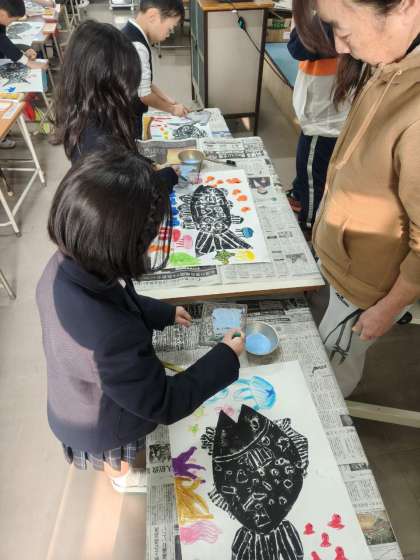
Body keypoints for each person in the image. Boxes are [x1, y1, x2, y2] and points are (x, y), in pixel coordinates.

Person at [36, 147, 245, 493]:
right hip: (99, 421)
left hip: (72, 394)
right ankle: (121, 477)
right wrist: (224, 356)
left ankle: (116, 470)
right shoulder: (111, 338)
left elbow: (116, 298)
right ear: (122, 246)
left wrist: (162, 312)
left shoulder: (66, 262)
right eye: (148, 240)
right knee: (115, 455)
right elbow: (163, 402)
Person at [293, 0, 420, 397]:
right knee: (323, 346)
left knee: (332, 375)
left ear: (405, 7)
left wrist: (388, 307)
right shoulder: (392, 63)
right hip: (344, 265)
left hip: (365, 287)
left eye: (343, 30)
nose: (339, 47)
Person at [53, 20, 178, 191]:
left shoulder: (85, 109)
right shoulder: (99, 143)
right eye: (127, 81)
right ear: (108, 82)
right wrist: (167, 176)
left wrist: (145, 165)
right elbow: (129, 191)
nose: (131, 90)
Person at [287, 21, 350, 231]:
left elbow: (297, 46)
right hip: (320, 112)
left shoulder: (335, 17)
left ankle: (310, 223)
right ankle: (298, 195)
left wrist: (304, 20)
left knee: (312, 174)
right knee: (307, 164)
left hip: (325, 119)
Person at [121, 0, 189, 137]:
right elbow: (145, 95)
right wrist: (172, 109)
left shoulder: (128, 33)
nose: (169, 34)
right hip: (127, 118)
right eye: (170, 28)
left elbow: (144, 83)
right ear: (152, 16)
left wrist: (169, 100)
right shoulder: (138, 47)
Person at [0, 0, 47, 148]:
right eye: (12, 20)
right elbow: (2, 41)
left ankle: (3, 133)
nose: (11, 24)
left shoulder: (1, 19)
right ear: (2, 13)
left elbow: (3, 41)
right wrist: (27, 62)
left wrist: (23, 50)